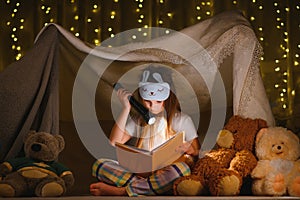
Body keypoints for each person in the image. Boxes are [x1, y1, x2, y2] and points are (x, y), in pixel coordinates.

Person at [90, 65, 200, 196]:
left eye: (158, 101)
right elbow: (114, 141)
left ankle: (123, 191)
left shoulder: (182, 120)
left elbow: (196, 152)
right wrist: (126, 108)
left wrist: (190, 149)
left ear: (168, 98)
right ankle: (150, 187)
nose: (153, 106)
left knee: (181, 171)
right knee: (100, 165)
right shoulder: (139, 120)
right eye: (148, 101)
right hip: (142, 174)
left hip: (168, 172)